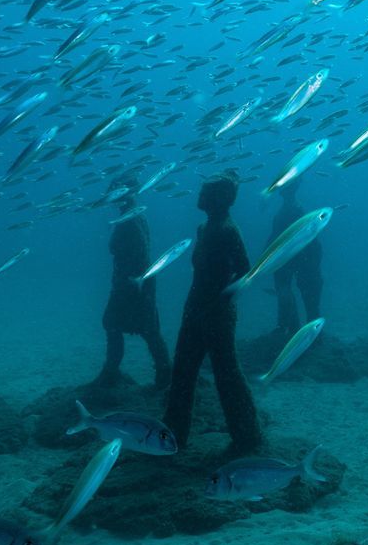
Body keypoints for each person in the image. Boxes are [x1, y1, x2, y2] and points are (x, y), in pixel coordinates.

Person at [164, 171, 262, 451]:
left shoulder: (228, 230)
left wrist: (221, 301)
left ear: (219, 198)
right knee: (182, 372)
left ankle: (248, 437)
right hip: (195, 308)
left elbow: (245, 271)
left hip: (216, 313)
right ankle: (173, 435)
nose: (199, 195)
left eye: (205, 191)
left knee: (227, 374)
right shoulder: (204, 229)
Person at [89, 170, 170, 391]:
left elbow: (141, 254)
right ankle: (162, 374)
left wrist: (133, 284)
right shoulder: (134, 215)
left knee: (123, 326)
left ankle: (113, 373)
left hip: (131, 283)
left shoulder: (130, 219)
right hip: (136, 281)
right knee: (148, 329)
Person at [270, 176, 323, 339]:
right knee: (297, 293)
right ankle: (295, 329)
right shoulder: (295, 211)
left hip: (295, 259)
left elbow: (277, 238)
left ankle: (294, 329)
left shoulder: (292, 211)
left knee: (291, 291)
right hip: (299, 259)